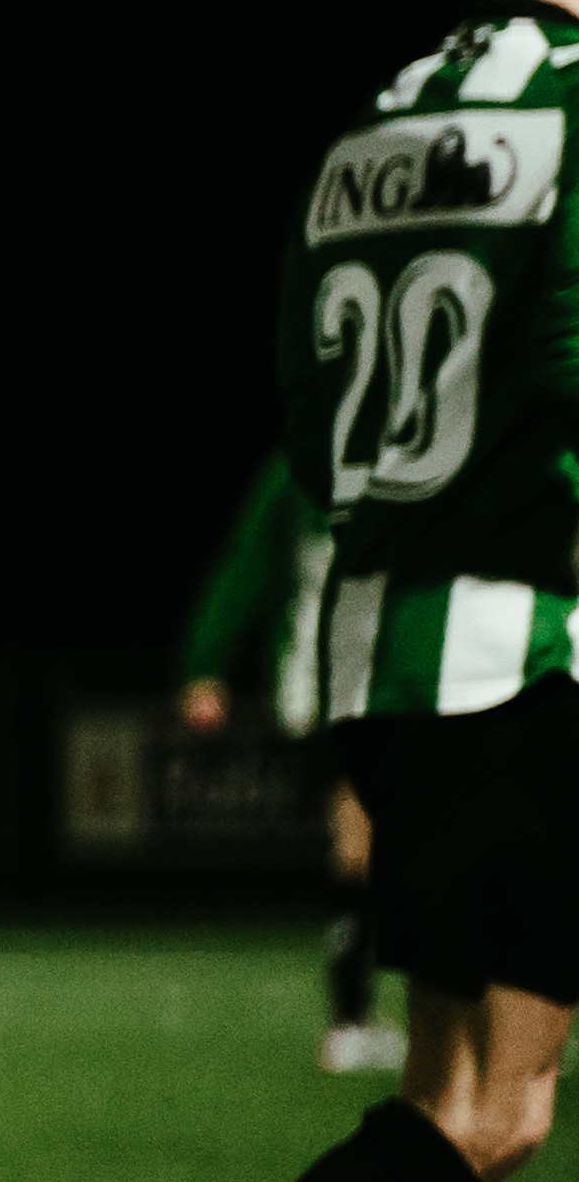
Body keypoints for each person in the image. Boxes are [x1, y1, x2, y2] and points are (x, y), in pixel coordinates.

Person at [54, 0, 579, 1182]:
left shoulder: (377, 121)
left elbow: (302, 410)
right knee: (489, 1102)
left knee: (478, 1105)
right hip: (535, 652)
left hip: (391, 653)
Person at [176, 453, 398, 1073]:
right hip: (330, 684)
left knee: (386, 844)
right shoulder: (302, 467)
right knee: (360, 839)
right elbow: (247, 562)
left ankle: (371, 1018)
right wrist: (206, 663)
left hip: (399, 680)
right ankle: (352, 1019)